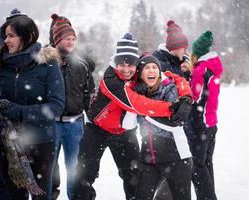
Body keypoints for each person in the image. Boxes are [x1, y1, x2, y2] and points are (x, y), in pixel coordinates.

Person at [71, 32, 192, 200]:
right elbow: (138, 104)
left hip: (124, 131)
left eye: (130, 65)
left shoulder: (137, 69)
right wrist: (172, 108)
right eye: (122, 64)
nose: (126, 69)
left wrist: (186, 97)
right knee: (85, 176)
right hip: (97, 130)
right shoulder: (110, 79)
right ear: (116, 62)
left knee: (134, 177)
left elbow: (170, 75)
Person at [0, 15, 65, 200]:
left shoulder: (48, 64)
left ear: (26, 36)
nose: (6, 40)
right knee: (14, 195)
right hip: (7, 144)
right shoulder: (0, 63)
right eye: (5, 36)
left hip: (40, 142)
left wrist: (20, 112)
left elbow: (56, 106)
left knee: (40, 195)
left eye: (11, 36)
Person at [47, 13, 95, 200]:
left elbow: (89, 95)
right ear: (57, 39)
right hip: (51, 124)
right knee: (48, 168)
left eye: (73, 38)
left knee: (75, 168)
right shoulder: (46, 63)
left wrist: (93, 120)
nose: (71, 41)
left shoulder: (81, 65)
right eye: (67, 38)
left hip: (75, 124)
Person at [133, 54, 192, 200]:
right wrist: (136, 98)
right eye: (147, 68)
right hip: (148, 158)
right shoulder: (136, 94)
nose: (151, 70)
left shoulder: (170, 88)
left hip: (177, 157)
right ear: (140, 74)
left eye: (155, 67)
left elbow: (173, 123)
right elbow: (127, 124)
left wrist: (143, 109)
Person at [152, 19, 192, 200]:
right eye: (184, 47)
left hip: (173, 124)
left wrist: (187, 74)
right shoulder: (162, 63)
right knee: (166, 170)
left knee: (174, 169)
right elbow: (168, 92)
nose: (186, 51)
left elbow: (183, 89)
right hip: (161, 125)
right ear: (176, 47)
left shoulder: (175, 61)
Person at [189, 31, 223, 200]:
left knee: (197, 167)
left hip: (200, 125)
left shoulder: (200, 70)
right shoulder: (214, 68)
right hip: (211, 123)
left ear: (197, 53)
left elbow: (194, 96)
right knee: (206, 163)